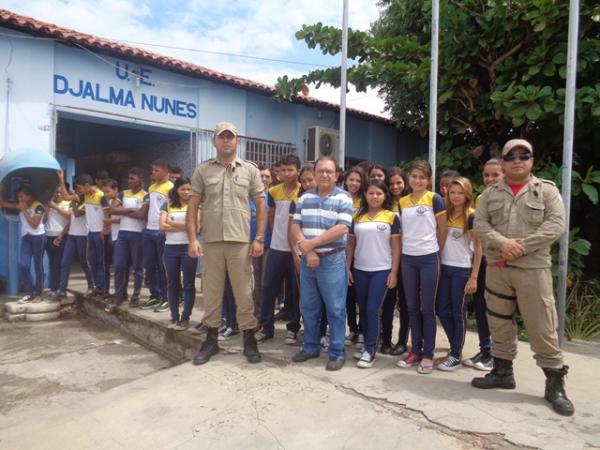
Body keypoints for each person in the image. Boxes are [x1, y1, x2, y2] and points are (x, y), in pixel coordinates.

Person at [472, 139, 574, 416]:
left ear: (532, 160)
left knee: (542, 325)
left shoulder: (547, 192)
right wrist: (502, 243)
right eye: (511, 156)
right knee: (499, 321)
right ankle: (503, 372)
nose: (517, 160)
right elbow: (479, 223)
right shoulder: (490, 193)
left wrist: (522, 246)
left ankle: (555, 384)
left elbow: (556, 224)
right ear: (503, 162)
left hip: (532, 269)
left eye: (523, 155)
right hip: (498, 267)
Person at [187, 121, 266, 365]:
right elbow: (192, 206)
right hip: (211, 241)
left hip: (240, 242)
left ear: (237, 141)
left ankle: (249, 341)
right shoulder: (203, 171)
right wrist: (192, 239)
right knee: (211, 293)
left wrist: (259, 238)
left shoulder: (250, 170)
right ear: (214, 141)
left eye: (230, 137)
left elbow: (262, 205)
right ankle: (211, 341)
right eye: (222, 137)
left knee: (244, 294)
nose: (226, 141)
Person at [289, 156, 354, 371]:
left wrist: (311, 246)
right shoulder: (305, 198)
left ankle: (337, 352)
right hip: (309, 261)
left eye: (329, 171)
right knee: (308, 306)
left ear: (336, 175)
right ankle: (310, 347)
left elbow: (342, 228)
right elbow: (295, 227)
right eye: (320, 171)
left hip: (333, 260)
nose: (324, 175)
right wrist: (309, 252)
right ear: (314, 174)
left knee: (335, 308)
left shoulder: (344, 198)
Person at [397, 161, 447, 375]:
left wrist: (436, 251)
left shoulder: (435, 199)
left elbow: (442, 230)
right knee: (411, 307)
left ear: (428, 180)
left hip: (428, 258)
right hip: (408, 259)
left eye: (422, 177)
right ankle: (415, 350)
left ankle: (428, 354)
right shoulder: (402, 201)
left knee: (427, 308)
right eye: (414, 176)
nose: (417, 181)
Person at [347, 179, 401, 368]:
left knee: (372, 310)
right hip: (361, 270)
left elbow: (396, 248)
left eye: (379, 193)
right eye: (371, 193)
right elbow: (351, 245)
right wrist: (348, 268)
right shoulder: (357, 217)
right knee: (364, 310)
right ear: (365, 195)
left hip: (382, 270)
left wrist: (394, 272)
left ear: (385, 196)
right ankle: (369, 344)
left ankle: (370, 350)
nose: (374, 196)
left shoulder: (391, 217)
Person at [436, 177, 482, 371]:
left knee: (458, 312)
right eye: (452, 192)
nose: (455, 196)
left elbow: (479, 249)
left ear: (467, 194)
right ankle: (456, 347)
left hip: (462, 270)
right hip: (443, 267)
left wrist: (474, 276)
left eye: (460, 192)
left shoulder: (472, 215)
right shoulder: (444, 214)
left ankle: (455, 354)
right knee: (441, 309)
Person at [463, 159, 503, 371]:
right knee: (480, 308)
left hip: (502, 263)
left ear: (504, 174)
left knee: (498, 310)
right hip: (483, 260)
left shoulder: (510, 200)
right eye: (486, 175)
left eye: (495, 175)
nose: (489, 179)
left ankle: (498, 355)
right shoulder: (481, 199)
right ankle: (486, 350)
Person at [257, 154, 301, 344]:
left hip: (296, 250)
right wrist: (278, 236)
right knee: (268, 288)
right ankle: (266, 328)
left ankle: (292, 329)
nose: (286, 173)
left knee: (295, 291)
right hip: (276, 247)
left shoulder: (305, 191)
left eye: (290, 170)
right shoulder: (273, 191)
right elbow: (271, 217)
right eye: (283, 170)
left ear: (298, 171)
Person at [104, 168, 147, 310]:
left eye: (133, 178)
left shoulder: (146, 195)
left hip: (138, 234)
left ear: (141, 179)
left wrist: (124, 211)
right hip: (123, 233)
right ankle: (119, 295)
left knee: (137, 267)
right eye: (129, 178)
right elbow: (112, 210)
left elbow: (142, 215)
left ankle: (135, 296)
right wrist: (131, 210)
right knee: (119, 266)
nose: (129, 181)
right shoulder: (123, 194)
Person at [159, 177, 198, 331]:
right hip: (170, 249)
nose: (186, 192)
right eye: (183, 189)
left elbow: (196, 227)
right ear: (177, 190)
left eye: (189, 189)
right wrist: (187, 226)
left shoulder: (194, 205)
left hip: (189, 248)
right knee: (172, 284)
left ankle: (185, 317)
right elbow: (161, 226)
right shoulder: (167, 204)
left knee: (189, 284)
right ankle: (174, 316)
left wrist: (172, 223)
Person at [59, 173, 106, 297]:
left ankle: (98, 287)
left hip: (91, 234)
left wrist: (105, 230)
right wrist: (61, 180)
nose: (78, 191)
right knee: (80, 262)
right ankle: (64, 290)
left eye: (80, 188)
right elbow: (65, 196)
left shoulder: (98, 196)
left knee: (94, 262)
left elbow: (78, 213)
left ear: (87, 185)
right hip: (82, 234)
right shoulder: (84, 196)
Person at [0, 185, 46, 303]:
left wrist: (24, 210)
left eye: (22, 196)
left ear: (29, 196)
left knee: (38, 266)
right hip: (26, 237)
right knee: (23, 265)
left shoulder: (38, 206)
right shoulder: (21, 205)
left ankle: (39, 293)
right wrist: (1, 191)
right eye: (18, 197)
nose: (19, 199)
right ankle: (30, 293)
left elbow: (35, 224)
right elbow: (2, 204)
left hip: (38, 237)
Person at [384, 167, 410, 356]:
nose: (395, 186)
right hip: (388, 258)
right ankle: (385, 339)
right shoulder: (383, 204)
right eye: (391, 183)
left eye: (398, 182)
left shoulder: (409, 203)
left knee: (406, 303)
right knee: (387, 302)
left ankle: (402, 341)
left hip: (408, 257)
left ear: (405, 183)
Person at [140, 159, 173, 312]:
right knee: (149, 265)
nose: (153, 173)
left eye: (156, 170)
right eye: (152, 170)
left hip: (161, 231)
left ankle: (166, 298)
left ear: (166, 172)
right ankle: (154, 295)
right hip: (148, 230)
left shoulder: (171, 187)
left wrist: (165, 227)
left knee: (162, 266)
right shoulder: (151, 187)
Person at [54, 188, 94, 298]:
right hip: (71, 235)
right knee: (64, 262)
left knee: (84, 262)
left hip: (83, 236)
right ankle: (62, 290)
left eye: (74, 194)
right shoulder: (73, 205)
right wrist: (61, 235)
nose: (72, 196)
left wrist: (73, 201)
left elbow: (76, 214)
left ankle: (91, 285)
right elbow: (71, 221)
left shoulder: (86, 205)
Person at [342, 166, 366, 347]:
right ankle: (353, 329)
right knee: (348, 295)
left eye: (358, 180)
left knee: (361, 295)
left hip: (361, 252)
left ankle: (364, 330)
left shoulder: (366, 201)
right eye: (351, 179)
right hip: (340, 251)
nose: (354, 183)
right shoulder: (340, 198)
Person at [44, 187, 71, 297]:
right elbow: (44, 220)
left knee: (62, 262)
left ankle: (62, 287)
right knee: (53, 263)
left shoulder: (68, 203)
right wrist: (47, 208)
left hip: (63, 236)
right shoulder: (49, 204)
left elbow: (69, 216)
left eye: (60, 192)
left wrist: (54, 206)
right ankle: (53, 287)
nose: (58, 194)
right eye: (56, 192)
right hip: (49, 235)